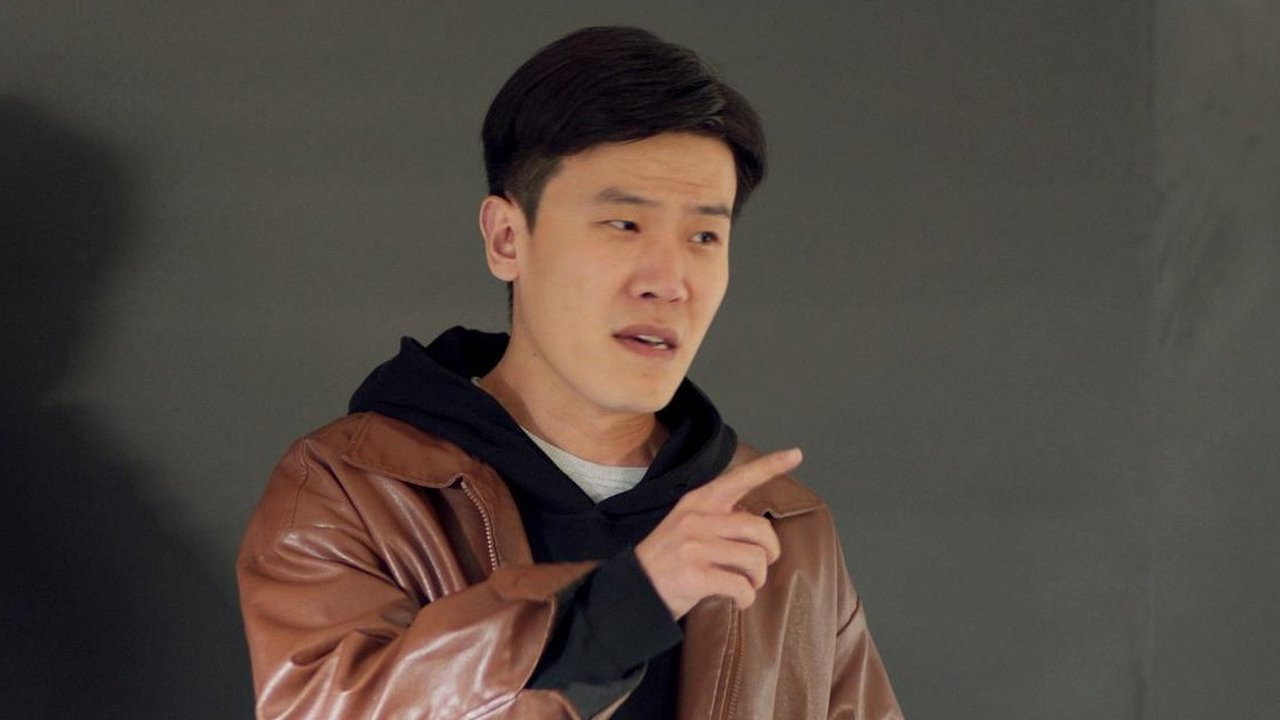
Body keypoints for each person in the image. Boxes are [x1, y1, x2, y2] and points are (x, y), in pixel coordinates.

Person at [237, 26, 904, 719]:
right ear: (507, 238)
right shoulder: (352, 489)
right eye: (624, 225)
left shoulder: (782, 528)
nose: (669, 280)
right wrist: (625, 609)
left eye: (704, 236)